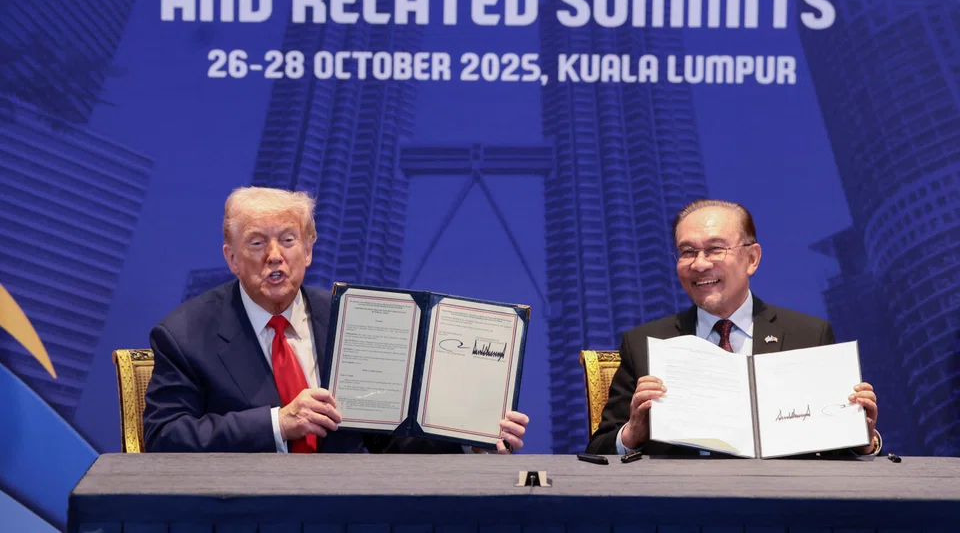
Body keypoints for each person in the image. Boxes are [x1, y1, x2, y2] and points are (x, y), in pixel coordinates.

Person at [143, 186, 529, 454]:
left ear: (308, 251)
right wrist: (278, 423)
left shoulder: (352, 319)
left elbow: (387, 439)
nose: (275, 255)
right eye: (257, 242)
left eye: (289, 240)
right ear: (231, 258)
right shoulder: (185, 335)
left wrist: (470, 437)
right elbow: (164, 436)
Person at [585, 199, 880, 457]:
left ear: (751, 259)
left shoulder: (809, 335)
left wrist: (862, 438)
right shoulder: (645, 343)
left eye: (715, 250)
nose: (699, 264)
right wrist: (633, 433)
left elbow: (836, 448)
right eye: (687, 252)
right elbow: (600, 450)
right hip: (681, 507)